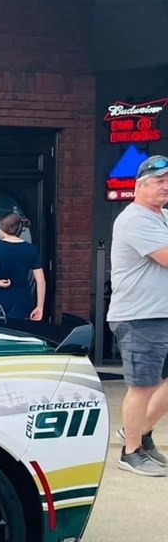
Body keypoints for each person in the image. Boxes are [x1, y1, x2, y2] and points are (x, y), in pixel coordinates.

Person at [107, 154, 168, 477]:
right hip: (140, 316)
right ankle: (130, 452)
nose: (165, 187)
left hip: (162, 313)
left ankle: (141, 432)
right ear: (139, 186)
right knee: (142, 385)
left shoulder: (163, 217)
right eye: (159, 182)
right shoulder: (135, 219)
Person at [0, 212, 45, 320]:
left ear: (2, 228)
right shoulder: (30, 249)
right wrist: (40, 307)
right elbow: (40, 280)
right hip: (22, 299)